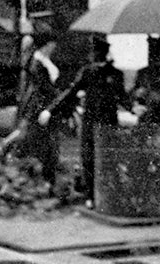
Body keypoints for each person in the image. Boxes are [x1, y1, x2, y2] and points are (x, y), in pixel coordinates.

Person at [40, 36, 125, 208]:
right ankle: (91, 196)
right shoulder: (90, 72)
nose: (95, 56)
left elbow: (122, 97)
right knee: (89, 159)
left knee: (102, 158)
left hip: (104, 123)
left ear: (100, 53)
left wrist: (134, 107)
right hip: (94, 123)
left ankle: (100, 196)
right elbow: (70, 93)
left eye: (97, 53)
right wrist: (51, 109)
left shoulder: (112, 74)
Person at [0, 30, 62, 186]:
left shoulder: (44, 59)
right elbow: (42, 85)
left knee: (31, 132)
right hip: (38, 102)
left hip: (41, 101)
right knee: (27, 131)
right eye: (52, 45)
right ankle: (2, 149)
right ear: (47, 45)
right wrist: (57, 95)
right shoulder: (37, 61)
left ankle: (6, 151)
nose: (54, 47)